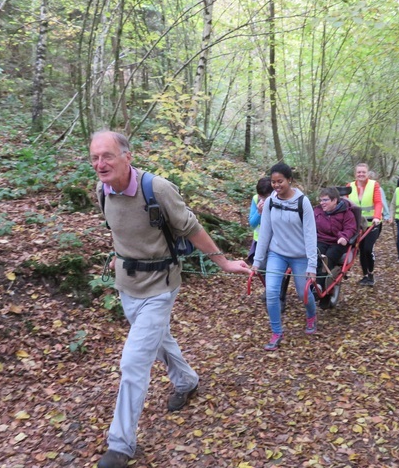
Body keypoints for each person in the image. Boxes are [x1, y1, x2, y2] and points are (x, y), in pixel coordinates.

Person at [90, 131, 250, 468]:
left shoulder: (158, 189)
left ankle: (120, 444)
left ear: (127, 156)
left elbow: (191, 227)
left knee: (133, 362)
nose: (100, 164)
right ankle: (187, 381)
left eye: (107, 156)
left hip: (160, 286)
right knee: (160, 340)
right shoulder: (101, 190)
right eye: (94, 158)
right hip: (126, 286)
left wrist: (223, 262)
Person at [251, 163, 318, 351]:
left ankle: (311, 315)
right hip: (277, 253)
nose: (276, 185)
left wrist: (312, 266)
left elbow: (311, 235)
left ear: (290, 180)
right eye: (273, 182)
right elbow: (265, 232)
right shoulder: (271, 201)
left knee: (303, 293)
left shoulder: (302, 202)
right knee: (271, 292)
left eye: (280, 181)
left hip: (300, 255)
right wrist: (257, 261)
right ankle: (276, 332)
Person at [314, 187, 358, 308]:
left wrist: (344, 237)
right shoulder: (317, 211)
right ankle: (318, 286)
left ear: (335, 201)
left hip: (337, 242)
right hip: (321, 239)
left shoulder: (346, 213)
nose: (322, 203)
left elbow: (350, 228)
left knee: (327, 259)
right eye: (321, 200)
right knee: (317, 256)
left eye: (325, 200)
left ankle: (321, 288)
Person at [346, 163, 383, 286]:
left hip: (372, 223)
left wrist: (377, 217)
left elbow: (378, 202)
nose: (361, 174)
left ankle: (371, 274)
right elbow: (345, 204)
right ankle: (365, 275)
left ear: (367, 173)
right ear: (355, 174)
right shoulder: (349, 186)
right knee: (360, 249)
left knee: (367, 248)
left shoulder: (374, 185)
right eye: (359, 172)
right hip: (357, 225)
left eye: (363, 172)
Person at [247, 176, 273, 264]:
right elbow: (252, 224)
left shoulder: (278, 201)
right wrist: (259, 212)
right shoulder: (256, 199)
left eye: (265, 197)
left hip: (275, 241)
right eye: (260, 196)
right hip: (259, 240)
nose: (262, 199)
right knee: (261, 268)